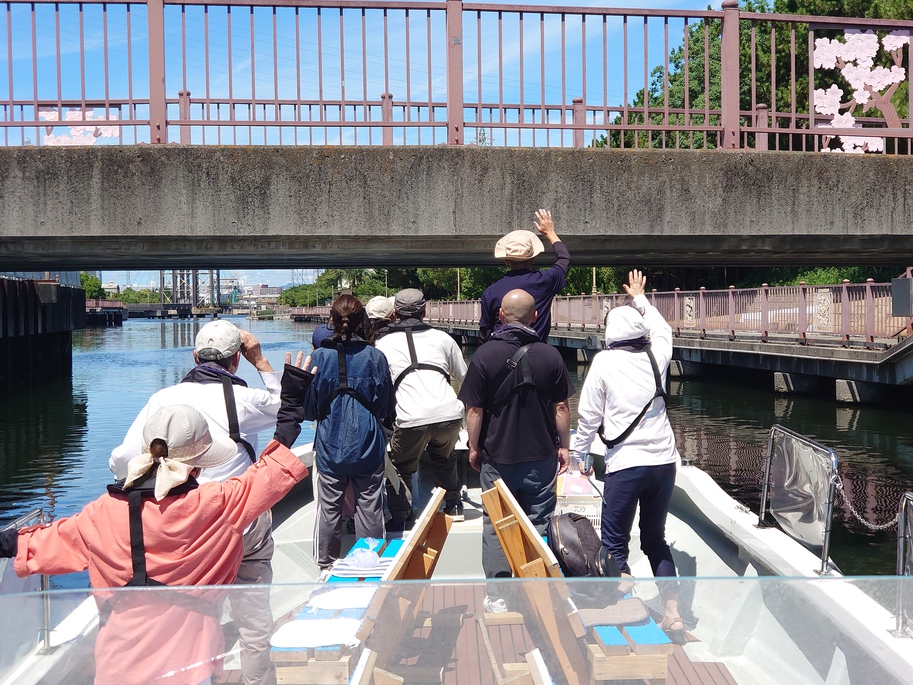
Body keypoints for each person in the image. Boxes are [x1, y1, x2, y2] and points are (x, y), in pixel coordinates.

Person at [1, 358, 315, 685]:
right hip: (190, 671)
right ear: (198, 467)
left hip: (115, 673)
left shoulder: (100, 514)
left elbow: (29, 545)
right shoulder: (217, 506)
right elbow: (270, 472)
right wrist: (290, 407)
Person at [109, 318, 282, 685]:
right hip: (239, 520)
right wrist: (262, 362)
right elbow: (286, 407)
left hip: (188, 525)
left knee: (197, 613)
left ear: (193, 355)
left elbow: (123, 458)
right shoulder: (243, 398)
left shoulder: (162, 398)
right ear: (236, 360)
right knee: (253, 618)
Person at [570, 269, 683, 637]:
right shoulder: (658, 354)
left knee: (615, 541)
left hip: (626, 466)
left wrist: (579, 456)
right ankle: (674, 613)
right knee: (655, 538)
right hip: (664, 463)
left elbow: (587, 417)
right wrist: (641, 298)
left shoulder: (604, 362)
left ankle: (623, 611)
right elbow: (663, 327)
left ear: (609, 335)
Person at [458, 289, 575, 612]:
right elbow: (562, 407)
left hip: (498, 456)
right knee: (539, 521)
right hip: (540, 456)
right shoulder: (550, 355)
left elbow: (474, 411)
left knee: (496, 523)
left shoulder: (484, 356)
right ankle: (538, 589)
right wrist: (564, 447)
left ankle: (498, 595)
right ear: (535, 316)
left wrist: (473, 446)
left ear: (500, 316)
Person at [300, 294, 395, 573]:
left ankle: (326, 565)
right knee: (370, 507)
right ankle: (371, 564)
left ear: (331, 320)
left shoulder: (317, 357)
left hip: (331, 444)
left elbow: (308, 411)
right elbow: (387, 406)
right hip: (368, 443)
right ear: (362, 321)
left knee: (330, 508)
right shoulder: (376, 357)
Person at [375, 288, 468, 529]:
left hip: (410, 418)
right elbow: (465, 380)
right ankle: (454, 505)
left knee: (400, 467)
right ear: (425, 312)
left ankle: (401, 517)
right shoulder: (444, 338)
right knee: (445, 457)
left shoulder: (382, 344)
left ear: (394, 313)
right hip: (449, 414)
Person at [478, 209, 571, 343]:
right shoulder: (545, 281)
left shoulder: (490, 293)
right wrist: (550, 233)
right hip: (536, 353)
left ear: (506, 261)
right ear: (532, 259)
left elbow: (484, 332)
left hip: (500, 354)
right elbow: (565, 259)